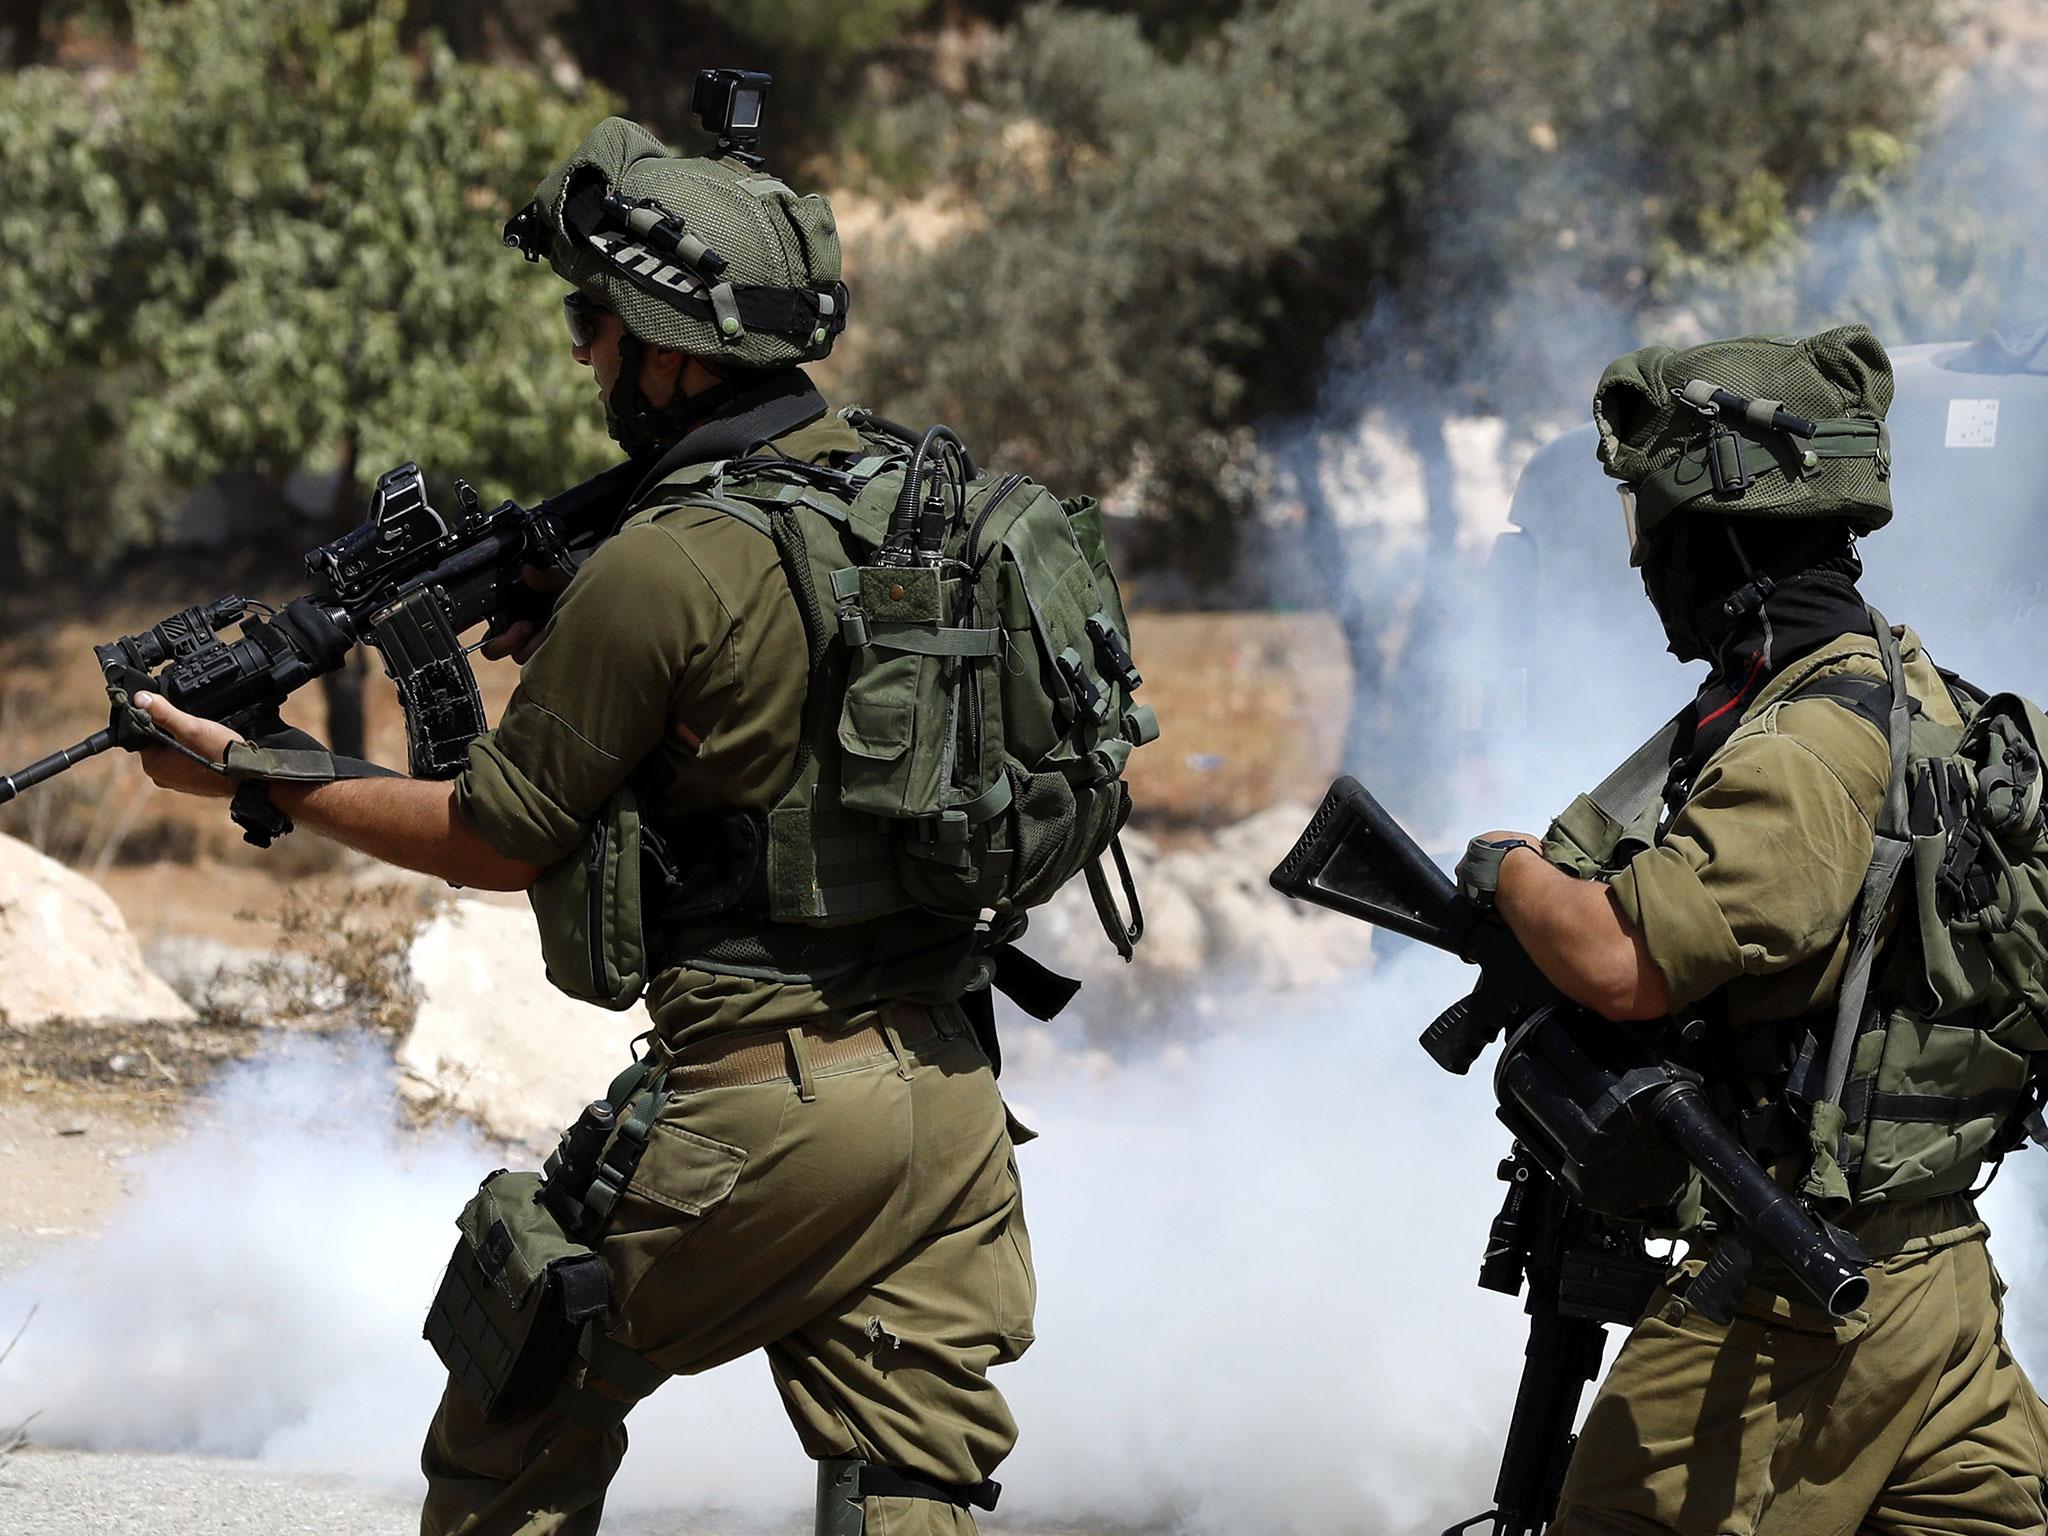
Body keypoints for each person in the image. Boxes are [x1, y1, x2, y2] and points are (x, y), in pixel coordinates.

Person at [135, 114, 1048, 1536]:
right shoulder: (910, 499)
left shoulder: (669, 559)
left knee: (515, 1403)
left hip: (764, 1109)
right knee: (910, 1489)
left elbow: (502, 835)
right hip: (952, 1101)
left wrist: (262, 775)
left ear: (675, 349)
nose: (581, 350)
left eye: (595, 317)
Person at [1455, 325, 2048, 1535]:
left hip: (1790, 1300)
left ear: (1713, 536)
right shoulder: (1913, 689)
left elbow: (1621, 961)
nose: (1639, 567)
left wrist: (1506, 869)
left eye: (1650, 528)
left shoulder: (1804, 742)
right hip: (1928, 1280)